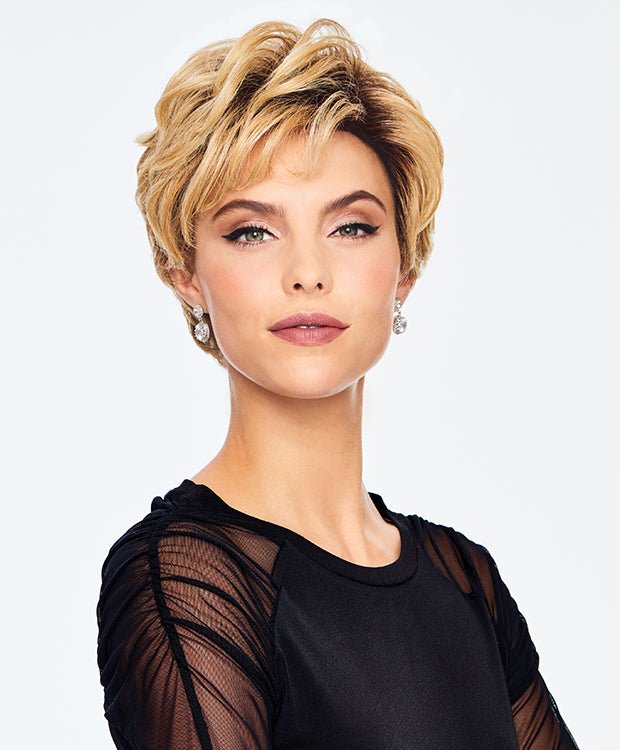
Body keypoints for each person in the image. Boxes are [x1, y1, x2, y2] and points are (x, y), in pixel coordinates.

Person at [96, 18, 579, 750]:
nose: (307, 273)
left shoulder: (465, 579)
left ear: (405, 266)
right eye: (251, 231)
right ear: (185, 272)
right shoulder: (185, 580)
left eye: (351, 227)